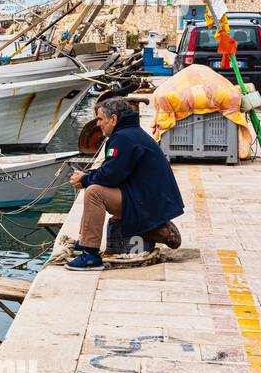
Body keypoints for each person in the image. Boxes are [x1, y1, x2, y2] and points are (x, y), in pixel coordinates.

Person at [66, 96, 184, 272]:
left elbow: (110, 176)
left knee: (94, 192)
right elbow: (113, 170)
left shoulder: (124, 138)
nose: (98, 124)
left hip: (147, 204)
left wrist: (84, 179)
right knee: (92, 185)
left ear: (113, 119)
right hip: (147, 198)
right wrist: (87, 176)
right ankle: (85, 244)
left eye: (100, 119)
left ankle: (91, 256)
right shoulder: (129, 133)